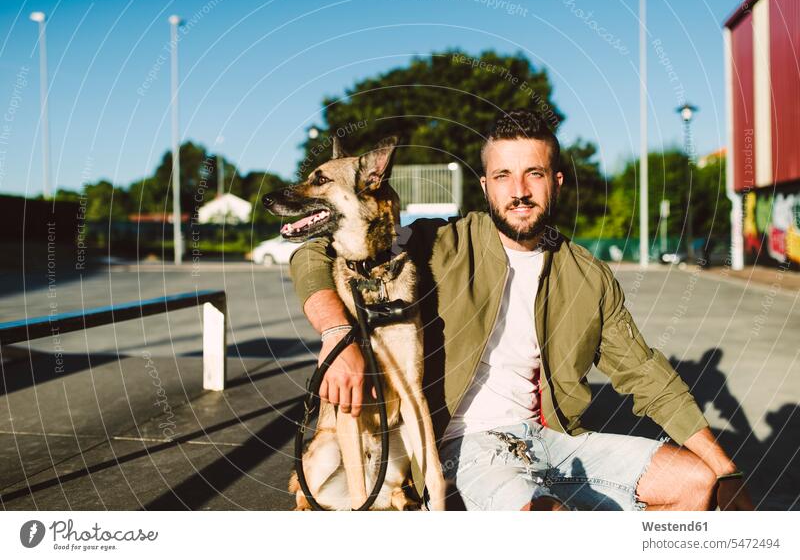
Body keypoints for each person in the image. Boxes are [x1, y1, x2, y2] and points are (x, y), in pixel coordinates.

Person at [288, 109, 754, 511]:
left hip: (555, 440)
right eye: (504, 176)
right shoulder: (439, 242)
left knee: (698, 483)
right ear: (485, 184)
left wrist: (727, 472)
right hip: (465, 447)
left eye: (533, 173)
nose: (520, 191)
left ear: (556, 181)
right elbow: (316, 254)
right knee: (544, 520)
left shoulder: (587, 275)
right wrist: (338, 334)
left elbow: (646, 375)